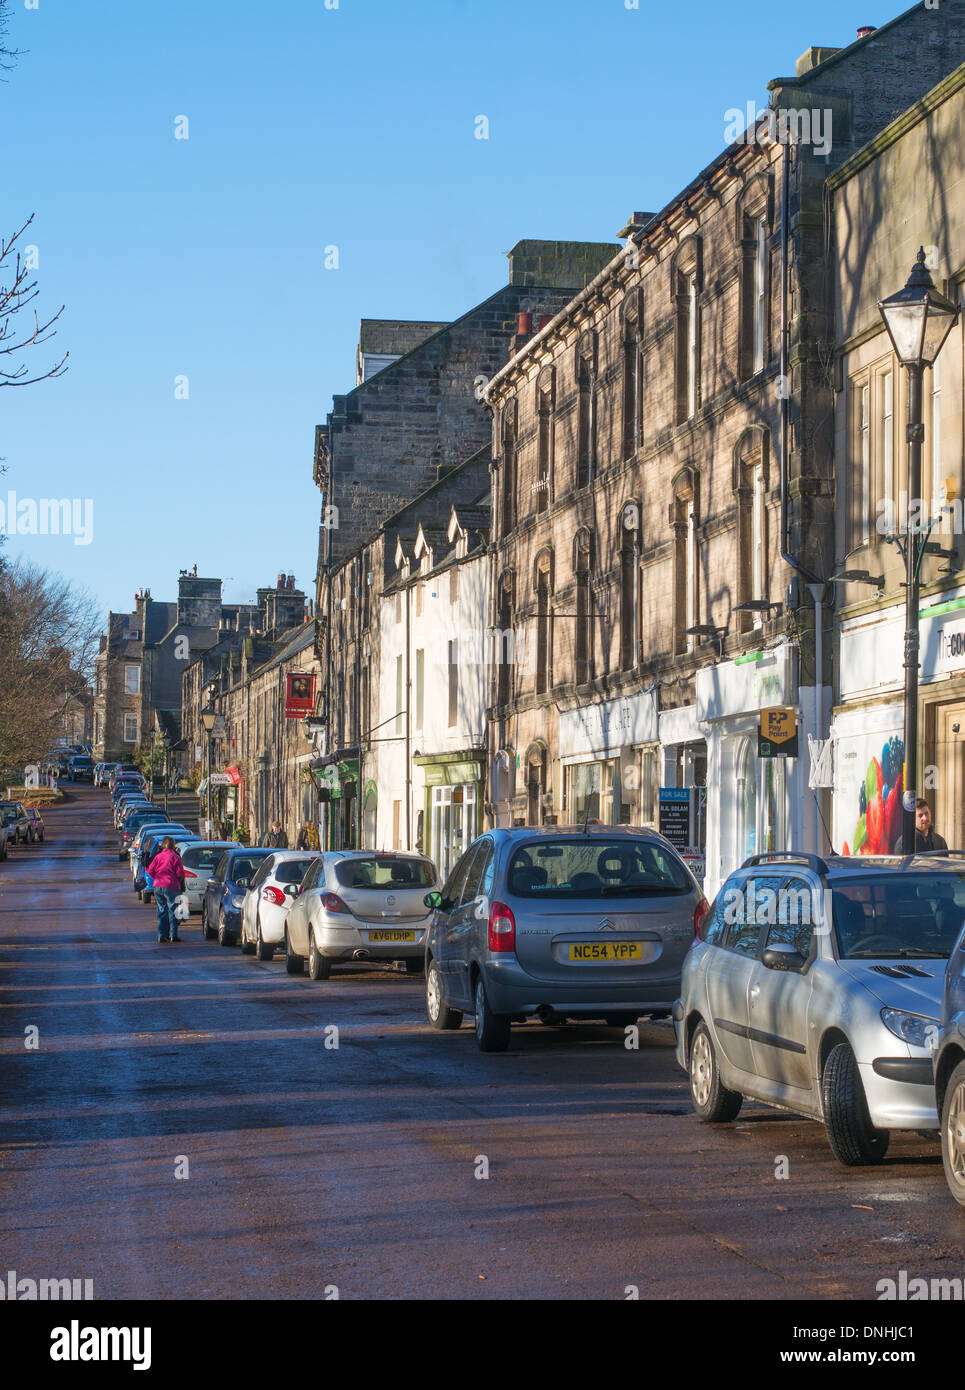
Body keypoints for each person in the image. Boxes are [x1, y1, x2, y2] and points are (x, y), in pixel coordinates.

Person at [146, 835, 186, 943]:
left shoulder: (158, 857)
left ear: (163, 845)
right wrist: (176, 881)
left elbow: (150, 871)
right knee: (173, 911)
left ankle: (162, 935)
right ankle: (173, 935)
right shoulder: (176, 857)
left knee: (161, 911)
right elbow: (180, 873)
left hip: (158, 885)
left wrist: (157, 878)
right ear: (173, 846)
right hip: (171, 886)